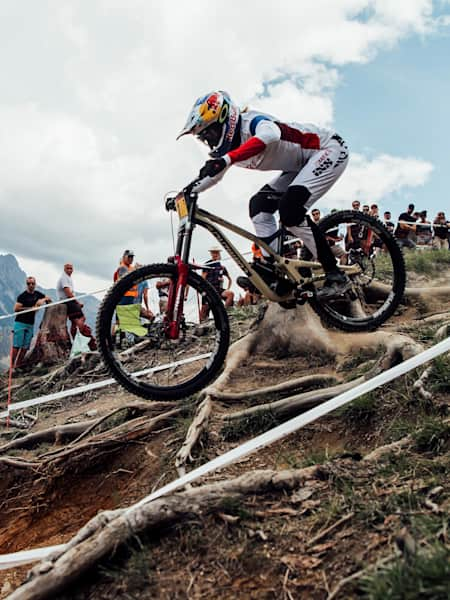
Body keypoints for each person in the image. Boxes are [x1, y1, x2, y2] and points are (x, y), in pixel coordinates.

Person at [177, 90, 351, 300]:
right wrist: (185, 193)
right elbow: (213, 176)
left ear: (224, 120)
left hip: (327, 149)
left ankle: (336, 275)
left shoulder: (252, 122)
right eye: (204, 139)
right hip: (300, 165)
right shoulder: (228, 151)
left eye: (209, 134)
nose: (209, 142)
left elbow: (271, 134)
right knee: (259, 206)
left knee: (290, 210)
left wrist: (228, 159)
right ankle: (274, 272)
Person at [12, 277, 51, 368]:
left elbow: (48, 298)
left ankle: (17, 366)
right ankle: (11, 367)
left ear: (35, 284)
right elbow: (16, 309)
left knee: (25, 347)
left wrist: (43, 300)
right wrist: (31, 309)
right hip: (20, 323)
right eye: (29, 283)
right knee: (17, 346)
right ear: (26, 284)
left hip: (30, 324)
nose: (31, 285)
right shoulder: (22, 296)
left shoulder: (37, 294)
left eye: (32, 283)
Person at [56, 263, 97, 351]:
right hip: (69, 302)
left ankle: (79, 342)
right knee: (80, 320)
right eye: (68, 268)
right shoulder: (64, 278)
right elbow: (67, 292)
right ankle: (90, 341)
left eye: (71, 268)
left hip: (69, 301)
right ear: (64, 269)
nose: (69, 270)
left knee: (75, 323)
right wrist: (77, 302)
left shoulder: (68, 278)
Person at [200, 247, 234, 321]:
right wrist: (202, 288)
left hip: (218, 289)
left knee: (230, 294)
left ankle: (224, 314)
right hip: (209, 290)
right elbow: (202, 278)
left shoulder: (221, 267)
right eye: (214, 253)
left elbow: (229, 279)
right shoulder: (207, 264)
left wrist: (228, 287)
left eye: (217, 253)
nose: (215, 254)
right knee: (204, 309)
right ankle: (202, 323)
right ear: (211, 254)